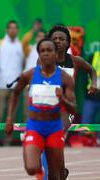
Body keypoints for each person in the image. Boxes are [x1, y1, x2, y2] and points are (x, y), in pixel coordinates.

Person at [5, 38, 76, 179]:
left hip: (54, 129)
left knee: (54, 176)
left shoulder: (65, 78)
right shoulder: (29, 75)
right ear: (38, 54)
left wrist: (62, 100)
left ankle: (60, 173)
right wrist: (9, 119)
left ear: (56, 54)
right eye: (42, 51)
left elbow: (73, 109)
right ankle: (42, 170)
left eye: (49, 50)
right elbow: (15, 93)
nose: (46, 54)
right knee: (31, 168)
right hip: (35, 127)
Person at [0, 20, 24, 146]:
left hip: (16, 86)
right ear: (6, 30)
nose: (13, 30)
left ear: (18, 31)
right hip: (0, 84)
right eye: (11, 28)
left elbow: (23, 65)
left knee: (12, 116)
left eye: (15, 28)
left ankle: (7, 141)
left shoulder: (21, 45)